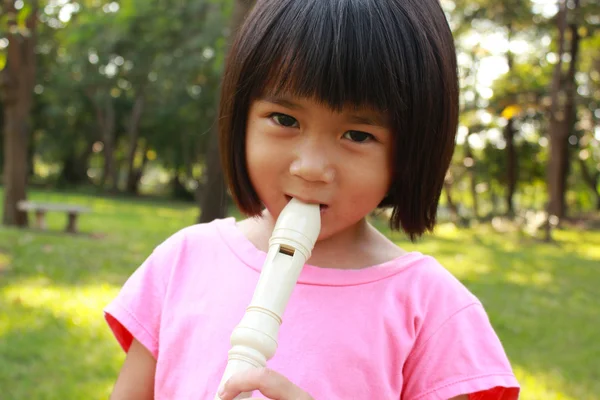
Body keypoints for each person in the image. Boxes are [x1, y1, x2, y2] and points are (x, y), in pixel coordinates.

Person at [104, 0, 521, 399]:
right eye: (285, 120)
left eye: (358, 135)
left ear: (413, 148)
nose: (311, 167)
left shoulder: (434, 311)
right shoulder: (182, 261)